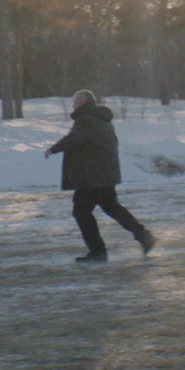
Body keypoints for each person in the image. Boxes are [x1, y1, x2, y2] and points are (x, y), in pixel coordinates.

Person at [45, 89, 155, 263]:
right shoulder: (102, 119)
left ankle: (98, 251)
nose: (73, 105)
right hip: (104, 173)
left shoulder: (86, 119)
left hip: (91, 176)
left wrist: (54, 148)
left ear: (82, 103)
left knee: (81, 211)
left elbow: (75, 138)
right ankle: (143, 235)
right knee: (112, 207)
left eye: (75, 102)